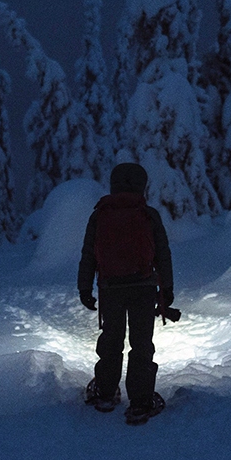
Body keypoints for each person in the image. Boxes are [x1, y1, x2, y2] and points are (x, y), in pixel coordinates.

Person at [78, 162, 172, 425]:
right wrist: (167, 290)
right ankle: (141, 403)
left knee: (111, 339)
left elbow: (88, 255)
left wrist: (84, 287)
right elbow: (162, 254)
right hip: (143, 287)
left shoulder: (100, 214)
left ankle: (105, 394)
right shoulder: (149, 214)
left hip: (111, 288)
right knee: (141, 344)